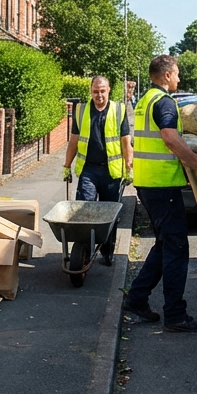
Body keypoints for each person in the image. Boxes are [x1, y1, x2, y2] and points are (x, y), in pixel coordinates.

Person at [122, 54, 197, 332]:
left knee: (166, 245)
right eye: (176, 73)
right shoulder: (164, 102)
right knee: (176, 248)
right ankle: (175, 315)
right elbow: (169, 137)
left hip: (148, 184)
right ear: (166, 75)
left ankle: (137, 300)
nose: (178, 78)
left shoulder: (145, 100)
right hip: (162, 187)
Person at [62, 76, 132, 263]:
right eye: (95, 91)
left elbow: (126, 141)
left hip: (111, 172)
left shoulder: (119, 110)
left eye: (102, 91)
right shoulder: (81, 110)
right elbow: (74, 141)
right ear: (91, 91)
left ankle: (108, 252)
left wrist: (129, 166)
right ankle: (84, 247)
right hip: (89, 170)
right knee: (84, 209)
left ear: (109, 90)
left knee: (110, 214)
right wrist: (66, 166)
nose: (99, 95)